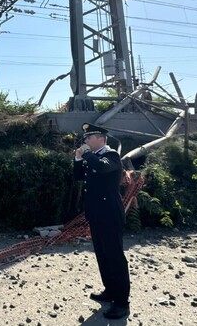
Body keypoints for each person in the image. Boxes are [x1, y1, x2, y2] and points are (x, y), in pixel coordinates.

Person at [73, 123, 130, 320]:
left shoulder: (111, 156)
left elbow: (102, 168)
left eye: (89, 137)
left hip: (110, 214)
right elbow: (78, 176)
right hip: (96, 214)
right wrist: (78, 159)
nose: (86, 141)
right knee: (102, 255)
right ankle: (110, 290)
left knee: (115, 257)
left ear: (101, 138)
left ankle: (122, 302)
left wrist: (87, 155)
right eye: (85, 138)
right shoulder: (93, 158)